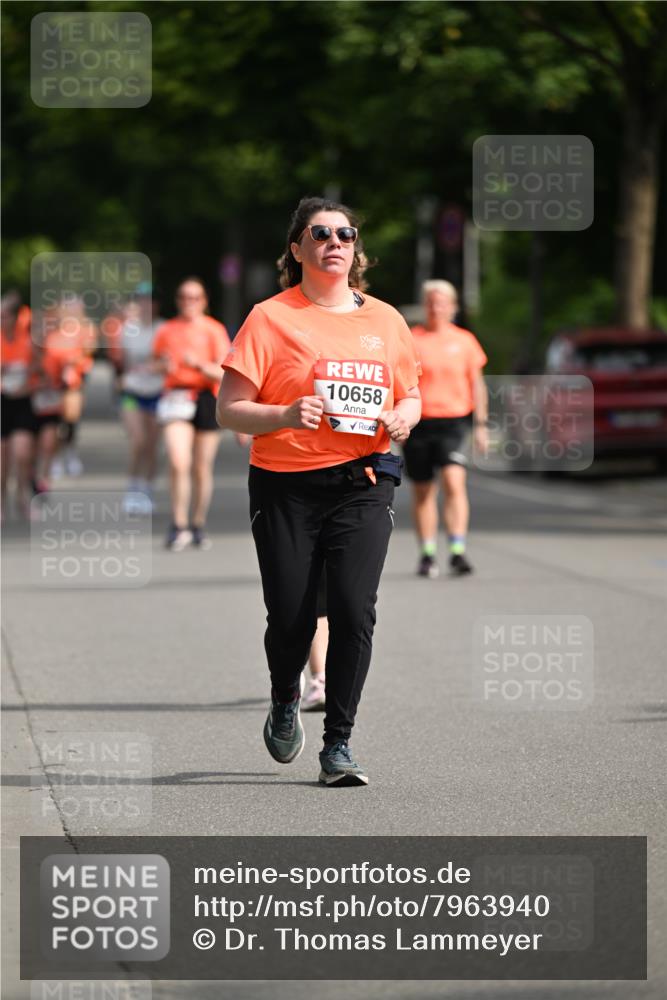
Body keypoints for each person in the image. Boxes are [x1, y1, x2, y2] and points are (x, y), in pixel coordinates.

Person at [216, 196, 421, 786]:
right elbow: (230, 409)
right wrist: (283, 413)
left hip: (363, 480)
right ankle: (285, 697)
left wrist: (405, 416)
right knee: (291, 617)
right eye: (321, 233)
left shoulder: (386, 320)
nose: (335, 241)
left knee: (355, 611)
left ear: (356, 249)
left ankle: (339, 745)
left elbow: (410, 391)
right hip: (285, 485)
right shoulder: (270, 317)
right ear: (297, 248)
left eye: (346, 234)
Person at [403, 280, 488, 578]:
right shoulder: (411, 339)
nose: (436, 307)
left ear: (452, 307)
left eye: (441, 302)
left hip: (454, 422)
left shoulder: (464, 340)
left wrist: (480, 425)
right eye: (430, 302)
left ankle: (456, 550)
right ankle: (427, 553)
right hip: (419, 423)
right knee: (424, 490)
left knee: (454, 481)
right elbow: (399, 382)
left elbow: (477, 384)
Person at [152, 278, 231, 551]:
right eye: (185, 297)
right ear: (178, 300)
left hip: (206, 397)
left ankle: (197, 523)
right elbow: (154, 363)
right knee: (178, 460)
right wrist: (162, 365)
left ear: (204, 301)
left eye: (195, 297)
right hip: (176, 396)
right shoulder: (167, 329)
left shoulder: (214, 329)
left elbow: (224, 372)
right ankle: (178, 523)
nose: (189, 302)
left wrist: (198, 364)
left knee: (200, 467)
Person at [105, 285, 164, 514]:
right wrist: (119, 378)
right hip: (132, 392)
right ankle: (132, 488)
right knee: (138, 441)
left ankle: (147, 489)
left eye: (149, 301)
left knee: (151, 445)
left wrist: (155, 366)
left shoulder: (164, 329)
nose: (145, 305)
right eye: (141, 300)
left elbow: (170, 362)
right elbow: (118, 361)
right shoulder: (127, 329)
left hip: (157, 392)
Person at [1, 295, 38, 518]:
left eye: (4, 316)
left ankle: (23, 495)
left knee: (23, 454)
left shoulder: (29, 343)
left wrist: (29, 386)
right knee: (2, 460)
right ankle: (2, 502)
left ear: (16, 318)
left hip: (23, 403)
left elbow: (42, 375)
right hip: (1, 403)